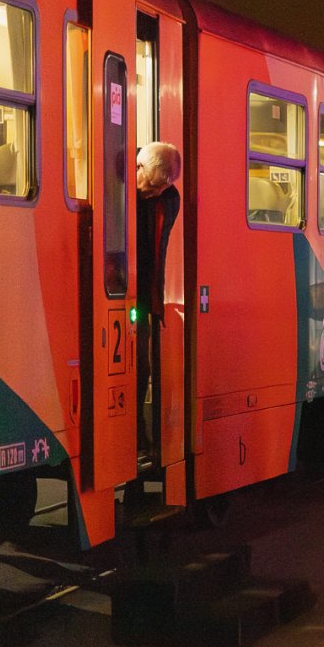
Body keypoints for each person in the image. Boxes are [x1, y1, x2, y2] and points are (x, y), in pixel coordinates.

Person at [135, 142, 181, 463]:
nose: (151, 194)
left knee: (143, 368)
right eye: (150, 187)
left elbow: (156, 252)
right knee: (137, 366)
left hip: (142, 294)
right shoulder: (123, 181)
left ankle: (140, 439)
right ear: (138, 168)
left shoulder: (168, 198)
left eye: (158, 189)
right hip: (121, 289)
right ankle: (137, 437)